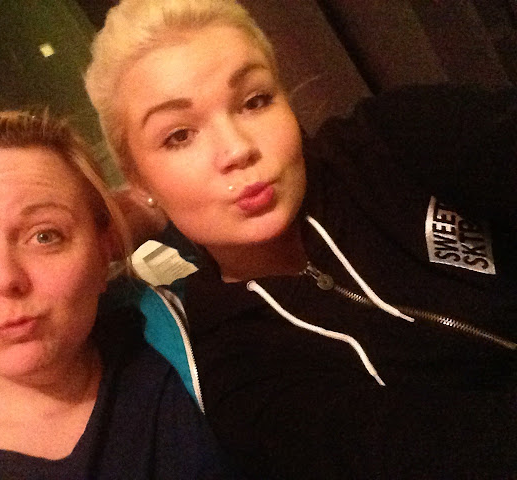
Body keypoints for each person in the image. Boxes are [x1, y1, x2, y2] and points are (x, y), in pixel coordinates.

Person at [85, 0, 517, 478]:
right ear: (138, 180)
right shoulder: (239, 368)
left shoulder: (391, 140)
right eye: (179, 136)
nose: (237, 149)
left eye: (254, 101)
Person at [0, 111, 243, 480]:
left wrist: (150, 214)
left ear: (105, 249)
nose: (4, 279)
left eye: (45, 236)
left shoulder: (180, 327)